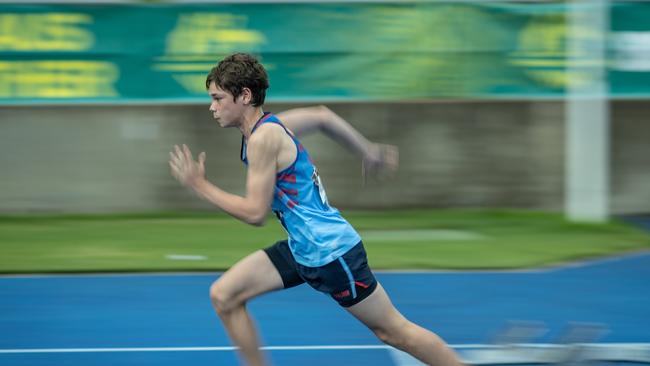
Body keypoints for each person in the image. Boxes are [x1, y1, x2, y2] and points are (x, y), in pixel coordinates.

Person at [168, 52, 462, 366]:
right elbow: (323, 116)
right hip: (303, 247)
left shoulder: (263, 139)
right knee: (224, 296)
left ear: (244, 96)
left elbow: (255, 213)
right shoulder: (271, 126)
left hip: (331, 252)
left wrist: (200, 185)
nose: (212, 107)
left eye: (217, 98)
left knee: (393, 332)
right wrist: (368, 151)